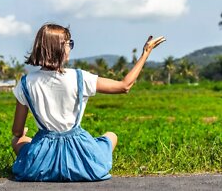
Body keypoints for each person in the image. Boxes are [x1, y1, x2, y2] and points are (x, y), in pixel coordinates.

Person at [10, 23, 166, 182]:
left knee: (19, 140)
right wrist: (146, 53)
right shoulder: (80, 77)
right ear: (58, 48)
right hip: (81, 159)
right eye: (68, 43)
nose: (70, 48)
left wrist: (22, 134)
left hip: (41, 165)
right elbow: (124, 86)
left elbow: (16, 131)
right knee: (111, 136)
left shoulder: (25, 83)